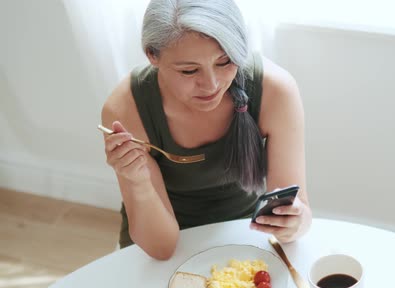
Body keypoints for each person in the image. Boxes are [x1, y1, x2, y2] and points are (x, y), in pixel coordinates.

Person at [101, 0, 311, 260]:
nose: (211, 84)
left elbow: (298, 212)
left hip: (245, 231)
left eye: (224, 62)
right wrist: (138, 181)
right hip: (162, 234)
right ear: (152, 55)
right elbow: (161, 249)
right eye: (189, 70)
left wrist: (293, 223)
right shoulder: (125, 109)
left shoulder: (276, 91)